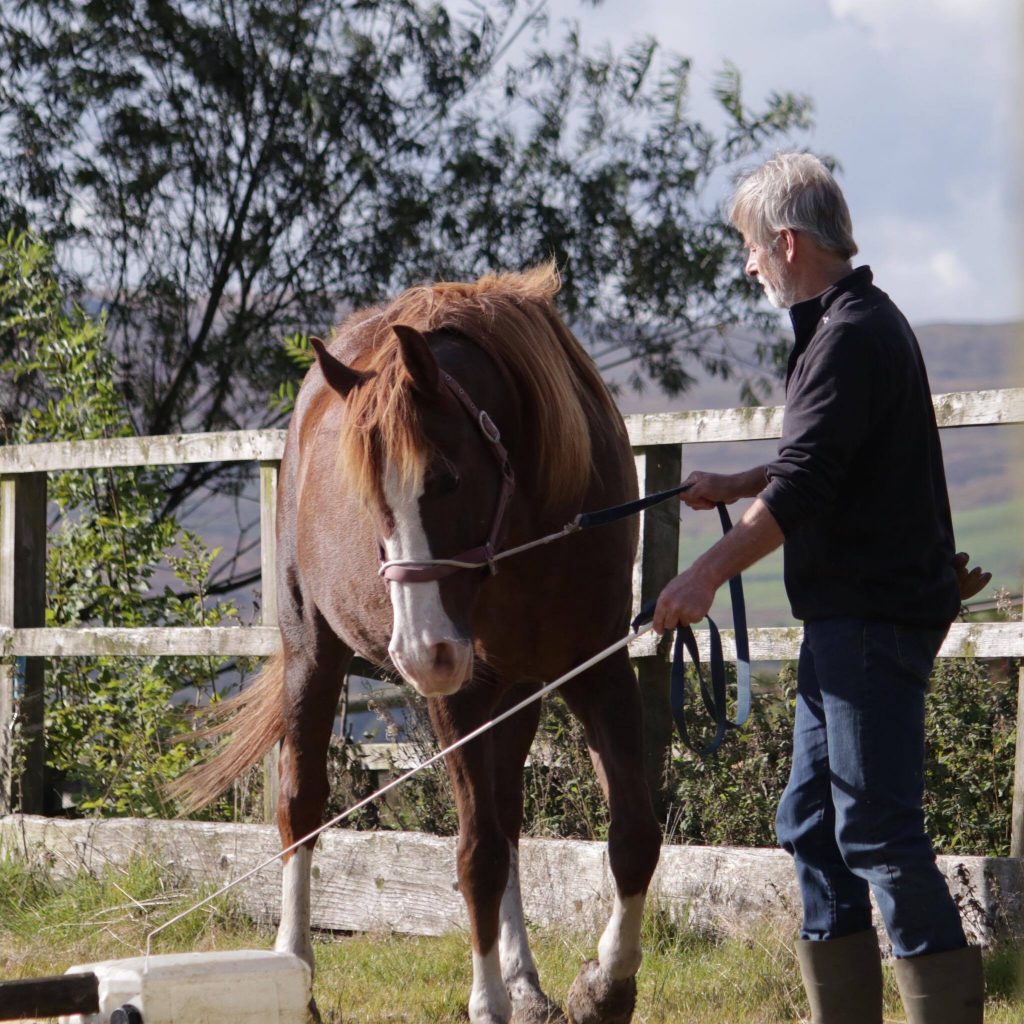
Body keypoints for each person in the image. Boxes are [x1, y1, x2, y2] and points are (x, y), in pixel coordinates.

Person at [653, 152, 990, 1024]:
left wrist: (699, 577)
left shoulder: (846, 336)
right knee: (810, 822)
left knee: (876, 832)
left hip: (869, 623)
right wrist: (738, 486)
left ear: (789, 242)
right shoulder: (859, 324)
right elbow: (828, 461)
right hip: (850, 622)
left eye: (752, 249)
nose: (748, 265)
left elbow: (804, 490)